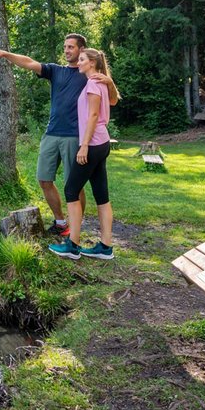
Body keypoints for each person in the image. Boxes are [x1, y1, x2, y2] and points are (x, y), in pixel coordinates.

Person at [0, 35, 115, 235]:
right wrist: (5, 54)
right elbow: (29, 62)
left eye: (71, 47)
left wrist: (109, 82)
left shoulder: (88, 74)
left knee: (74, 184)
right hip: (52, 133)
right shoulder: (56, 70)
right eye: (65, 47)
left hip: (75, 136)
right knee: (44, 179)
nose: (66, 50)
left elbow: (111, 101)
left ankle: (76, 228)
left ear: (82, 50)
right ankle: (61, 222)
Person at [48, 48, 119, 261]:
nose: (78, 63)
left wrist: (84, 145)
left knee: (71, 189)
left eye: (81, 60)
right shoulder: (102, 83)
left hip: (94, 143)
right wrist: (110, 81)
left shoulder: (93, 84)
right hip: (102, 142)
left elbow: (94, 115)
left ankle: (73, 245)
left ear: (92, 63)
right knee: (101, 195)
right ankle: (105, 247)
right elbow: (113, 102)